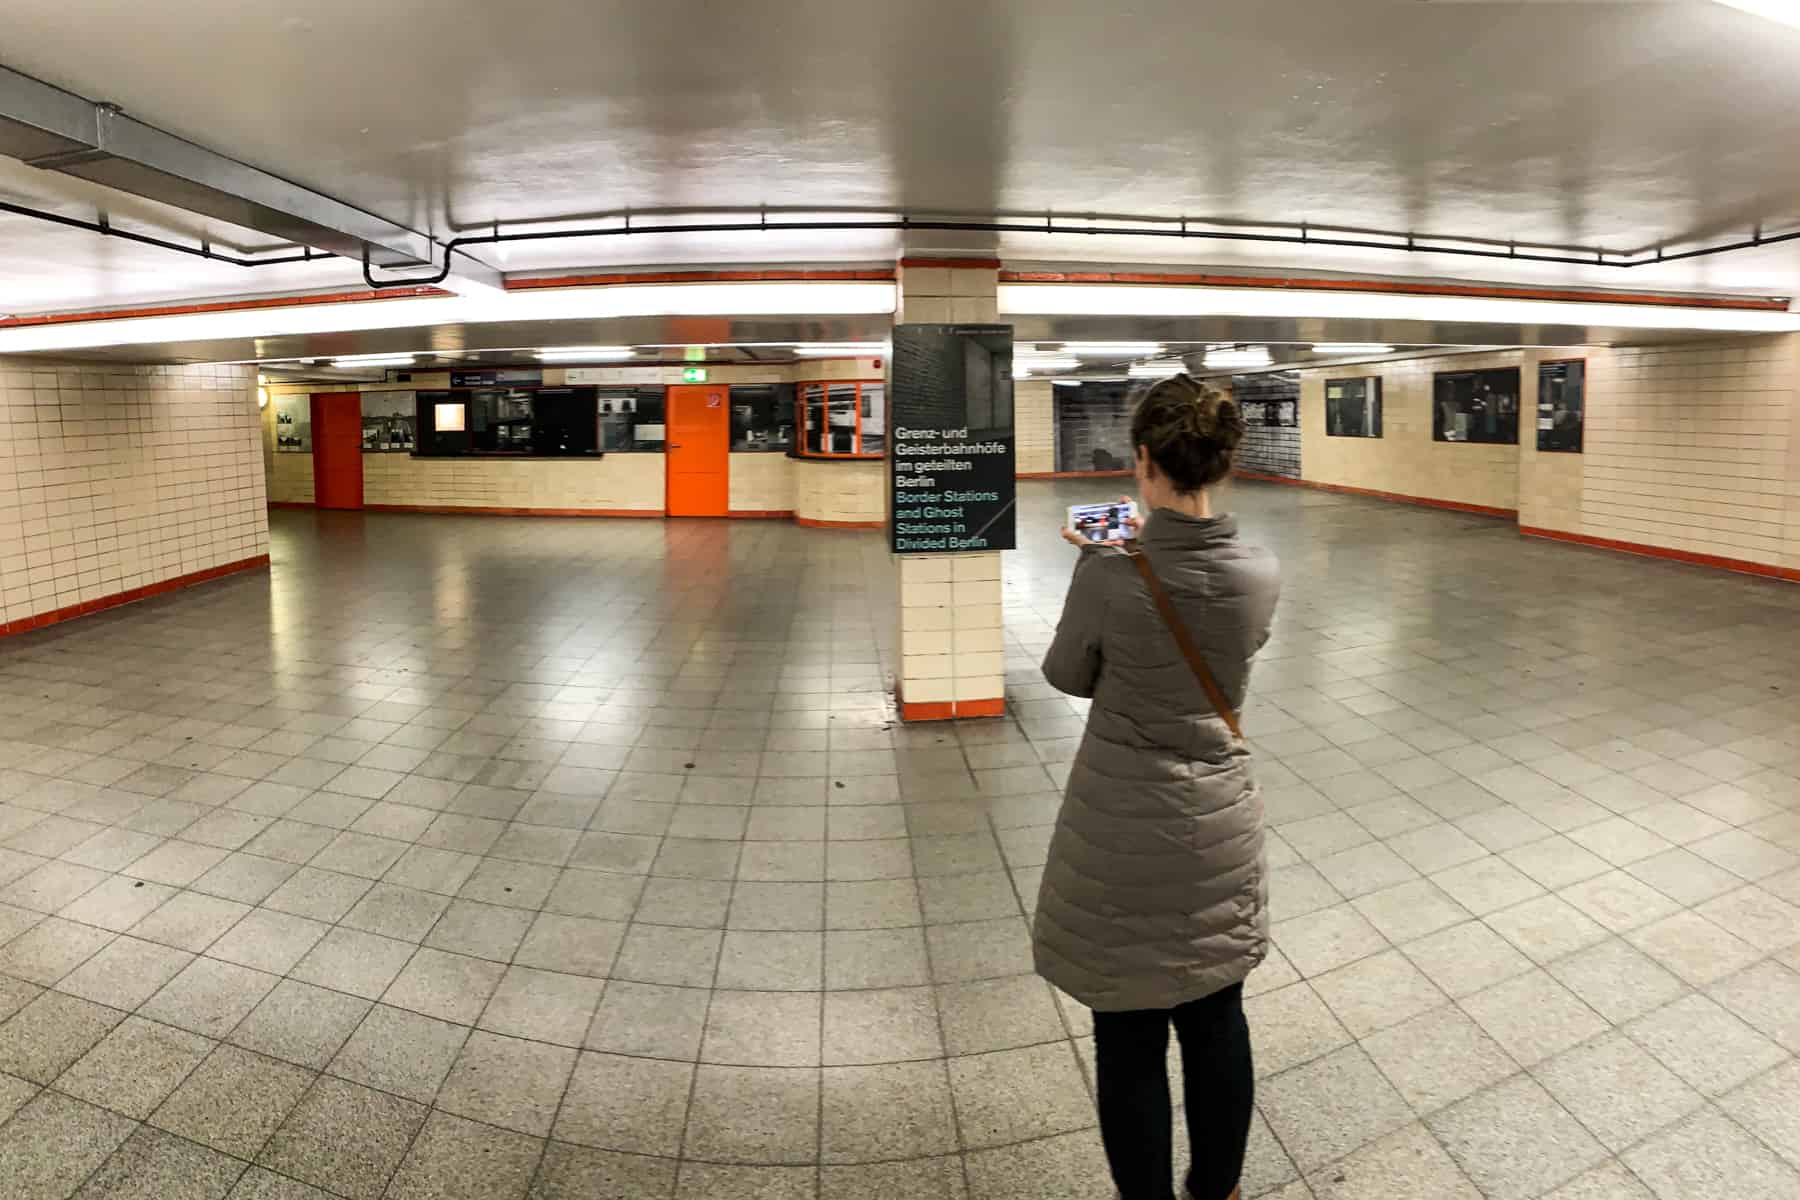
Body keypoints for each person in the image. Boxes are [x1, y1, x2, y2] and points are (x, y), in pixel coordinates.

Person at [1035, 373, 1281, 1200]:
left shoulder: (1112, 571)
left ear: (1143, 460)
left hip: (1121, 828)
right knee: (1218, 1023)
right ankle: (1217, 1191)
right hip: (1218, 821)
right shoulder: (1260, 569)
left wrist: (1109, 563)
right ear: (1221, 464)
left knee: (1128, 1039)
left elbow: (1068, 673)